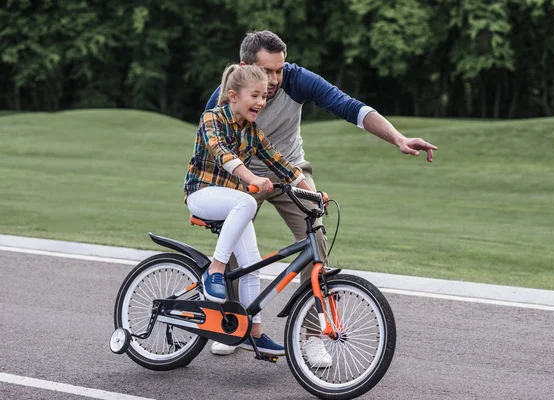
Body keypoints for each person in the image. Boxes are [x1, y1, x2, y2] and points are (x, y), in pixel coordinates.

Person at [206, 30, 438, 364]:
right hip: (242, 174)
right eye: (266, 71)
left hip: (291, 170)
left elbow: (350, 107)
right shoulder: (226, 94)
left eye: (278, 70)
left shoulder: (297, 80)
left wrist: (398, 138)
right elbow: (208, 144)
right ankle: (231, 324)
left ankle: (314, 335)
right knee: (229, 245)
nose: (273, 80)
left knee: (316, 238)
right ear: (244, 66)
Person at [184, 63, 314, 356]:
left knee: (253, 264)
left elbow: (281, 163)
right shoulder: (212, 119)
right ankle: (215, 270)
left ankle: (252, 332)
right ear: (232, 96)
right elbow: (223, 155)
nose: (261, 102)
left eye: (264, 97)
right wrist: (254, 179)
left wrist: (313, 193)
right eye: (255, 95)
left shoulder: (253, 131)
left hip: (231, 200)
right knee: (244, 199)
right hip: (202, 194)